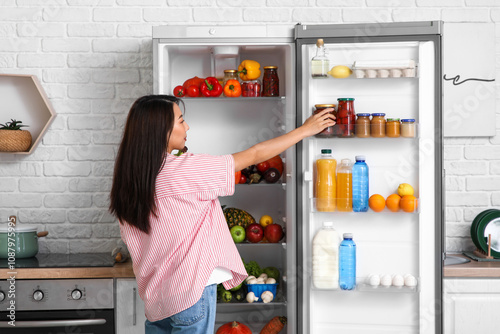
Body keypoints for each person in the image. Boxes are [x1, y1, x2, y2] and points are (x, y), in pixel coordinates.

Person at [109, 95, 335, 334]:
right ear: (161, 131)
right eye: (181, 120)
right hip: (190, 295)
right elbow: (256, 154)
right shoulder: (186, 170)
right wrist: (305, 130)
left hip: (156, 301)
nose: (187, 127)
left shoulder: (129, 181)